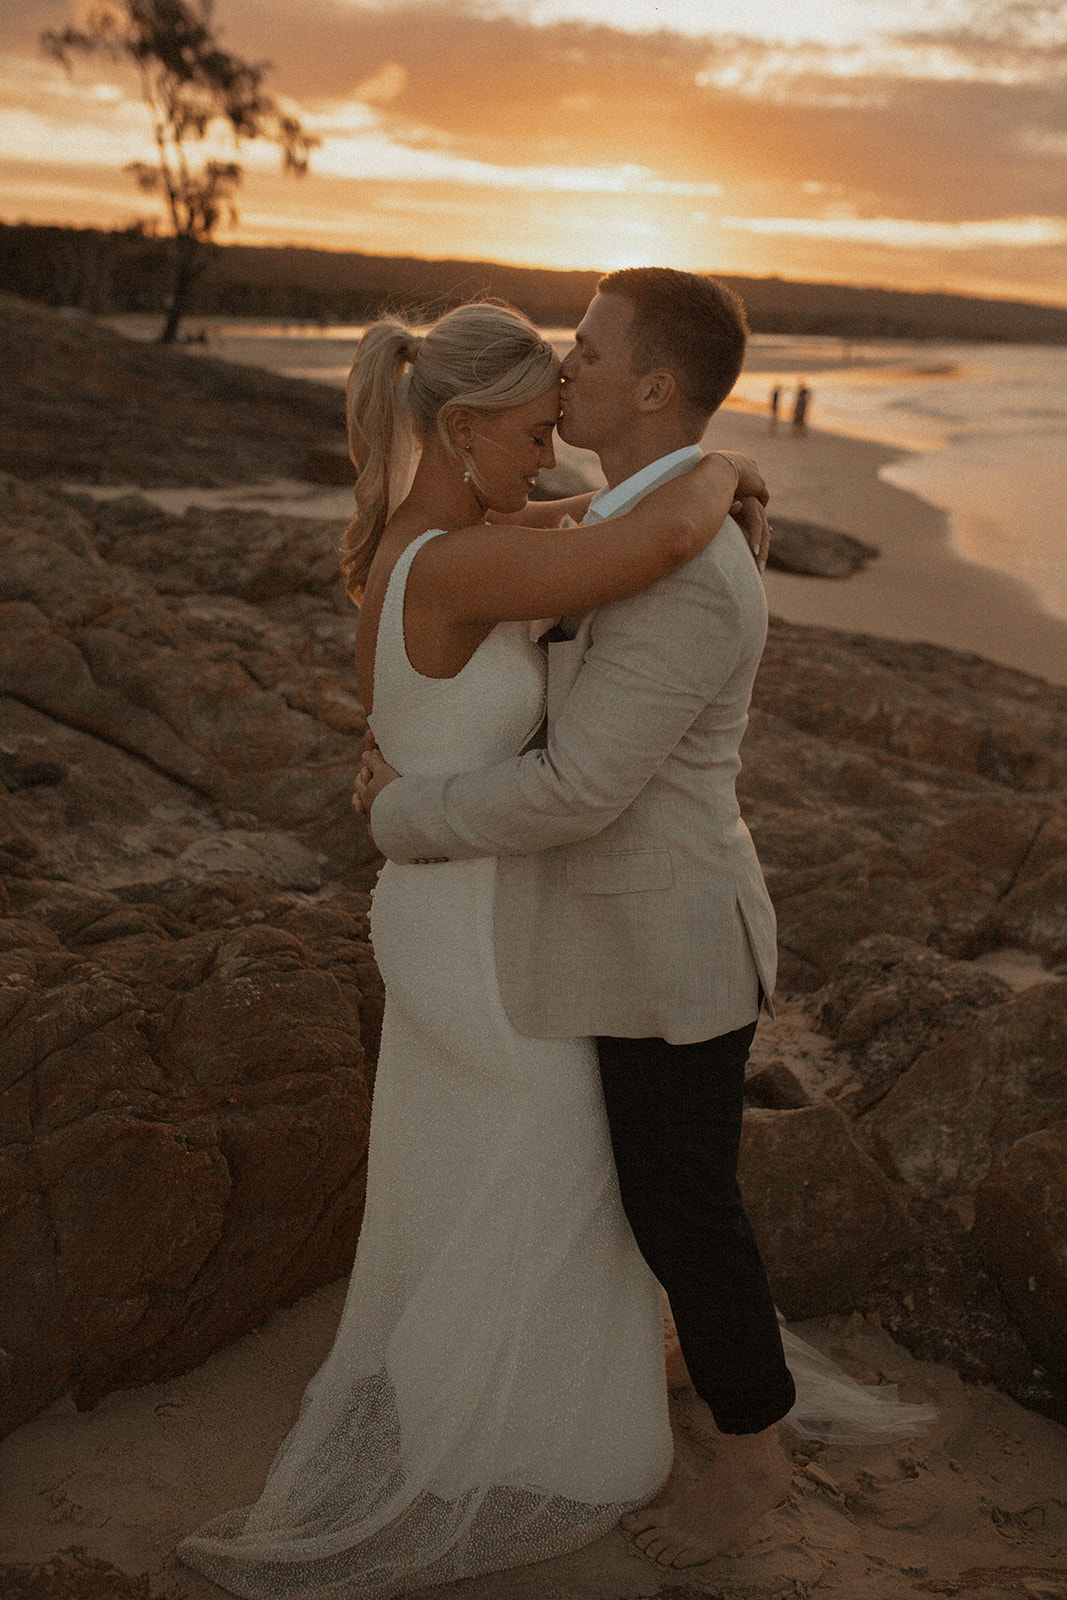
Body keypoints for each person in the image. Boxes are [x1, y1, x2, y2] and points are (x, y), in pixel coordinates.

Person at [177, 298, 773, 1600]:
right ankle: (533, 1427)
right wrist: (720, 465)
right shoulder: (456, 564)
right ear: (455, 429)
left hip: (456, 909)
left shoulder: (452, 535)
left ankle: (505, 1386)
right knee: (555, 1172)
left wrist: (683, 475)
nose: (549, 450)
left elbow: (606, 520)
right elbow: (663, 524)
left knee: (501, 1175)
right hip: (470, 922)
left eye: (574, 393)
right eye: (524, 432)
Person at [356, 269, 933, 1571]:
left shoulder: (686, 568)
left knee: (684, 1208)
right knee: (641, 1195)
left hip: (669, 946)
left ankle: (755, 1455)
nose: (571, 368)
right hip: (605, 937)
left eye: (591, 348)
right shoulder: (625, 516)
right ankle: (654, 1372)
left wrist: (406, 811)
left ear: (655, 387)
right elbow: (551, 553)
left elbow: (573, 789)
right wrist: (719, 474)